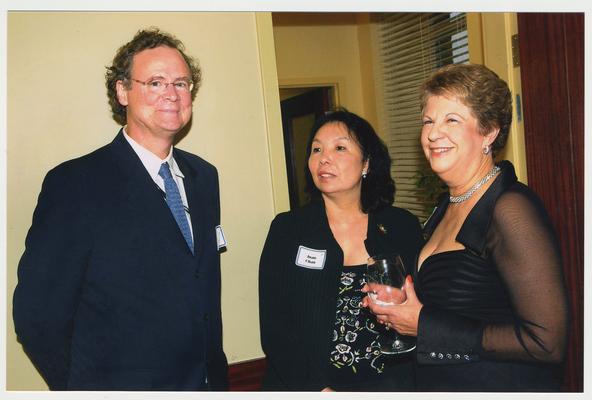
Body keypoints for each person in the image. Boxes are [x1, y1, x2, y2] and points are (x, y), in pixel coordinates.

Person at [13, 28, 228, 391]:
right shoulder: (75, 184)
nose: (172, 95)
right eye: (156, 82)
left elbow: (197, 288)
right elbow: (37, 316)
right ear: (122, 90)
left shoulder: (203, 177)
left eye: (181, 83)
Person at [363, 63, 568, 391]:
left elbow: (547, 342)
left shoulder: (510, 209)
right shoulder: (447, 206)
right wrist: (404, 303)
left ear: (489, 132)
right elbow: (462, 304)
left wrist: (423, 324)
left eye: (451, 120)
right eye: (428, 120)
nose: (432, 133)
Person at [259, 109, 423, 391]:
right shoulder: (288, 230)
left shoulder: (401, 226)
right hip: (310, 386)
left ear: (366, 164)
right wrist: (317, 389)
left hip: (394, 383)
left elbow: (423, 306)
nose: (324, 158)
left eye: (339, 147)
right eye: (316, 149)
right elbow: (276, 327)